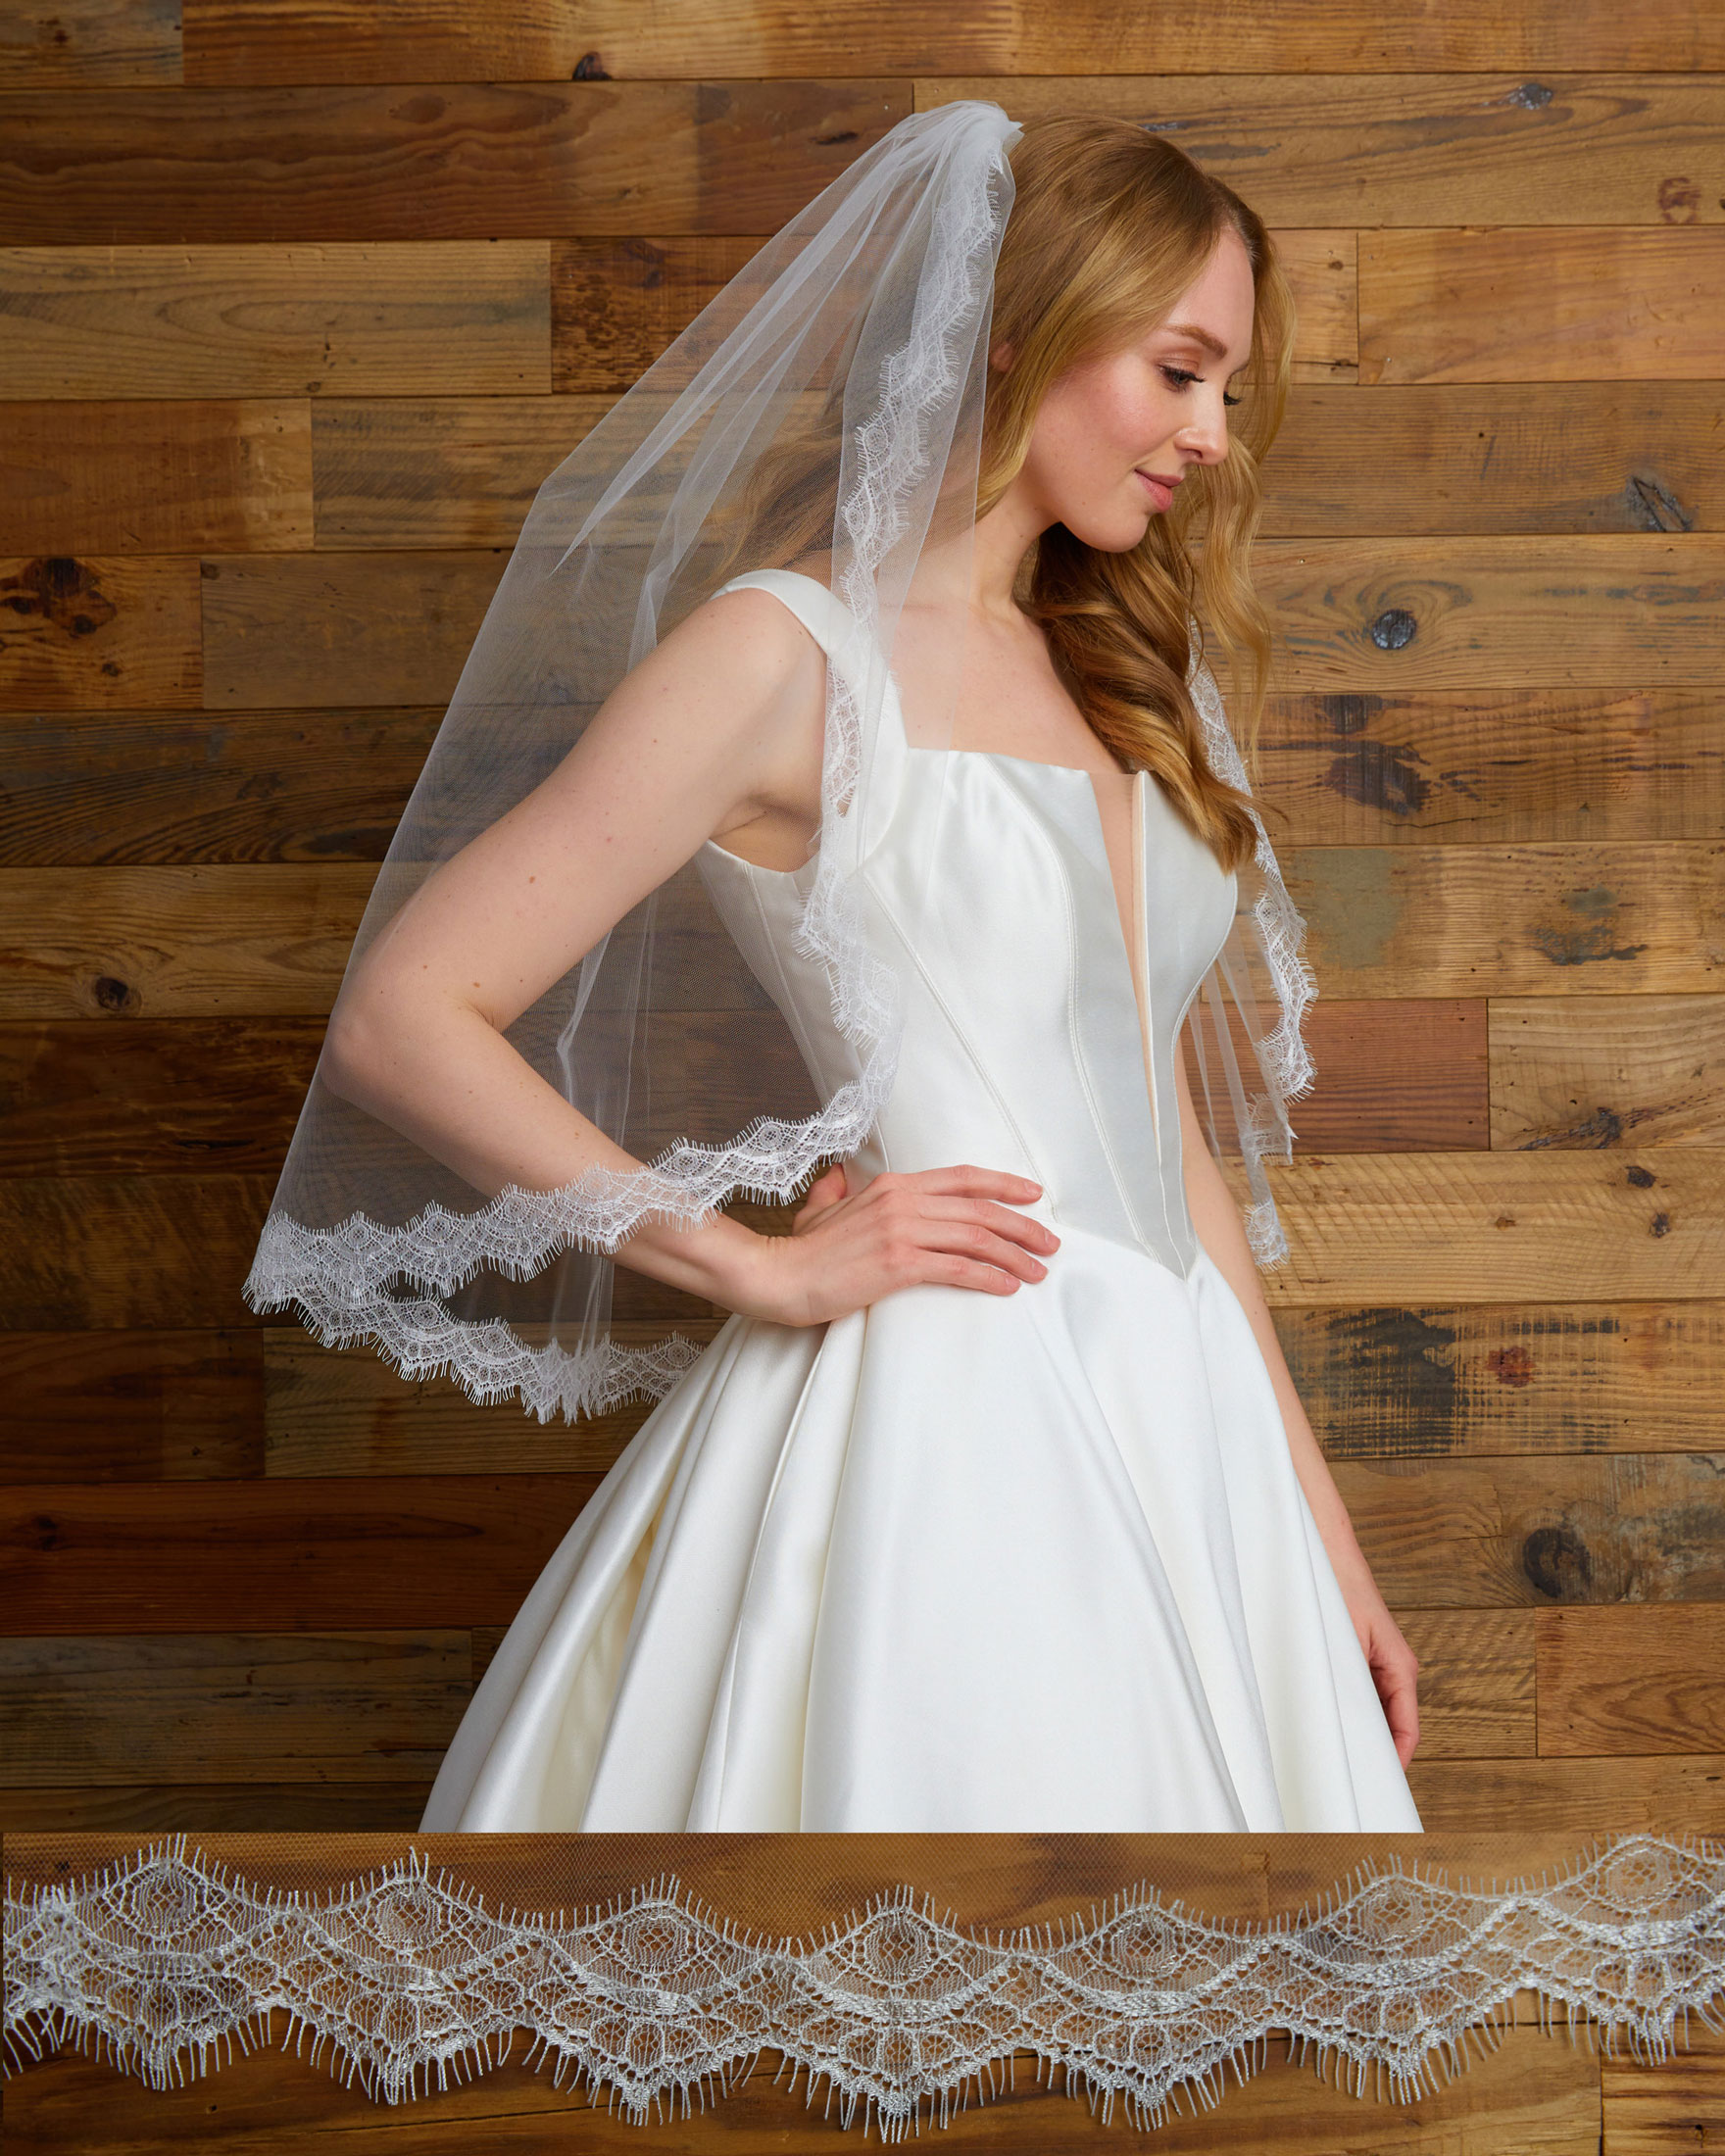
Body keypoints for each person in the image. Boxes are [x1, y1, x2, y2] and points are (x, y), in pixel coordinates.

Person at [250, 104, 1423, 1831]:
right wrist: (750, 1265)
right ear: (1019, 332)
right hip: (948, 1426)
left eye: (1230, 392)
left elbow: (1168, 1148)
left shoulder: (1120, 675)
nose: (1213, 436)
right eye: (1181, 371)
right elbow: (402, 1017)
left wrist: (1325, 1547)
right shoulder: (785, 657)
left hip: (1196, 1441)